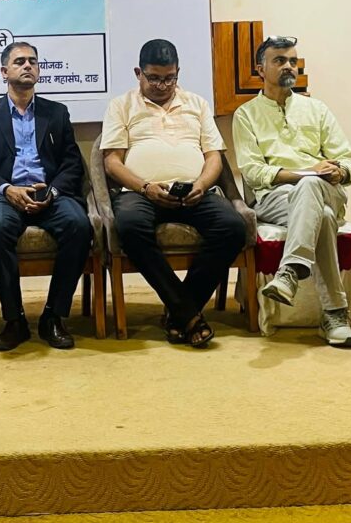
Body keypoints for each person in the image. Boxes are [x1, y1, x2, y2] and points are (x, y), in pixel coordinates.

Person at [101, 39, 250, 348]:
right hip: (141, 192)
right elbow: (112, 162)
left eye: (169, 78)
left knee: (233, 228)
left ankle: (179, 312)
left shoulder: (197, 104)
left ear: (178, 72)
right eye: (154, 78)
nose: (162, 85)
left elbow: (214, 157)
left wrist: (202, 185)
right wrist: (145, 187)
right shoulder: (121, 105)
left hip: (193, 191)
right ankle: (186, 312)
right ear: (138, 73)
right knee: (129, 226)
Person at [0, 41, 92, 351]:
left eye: (33, 61)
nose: (28, 66)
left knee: (79, 226)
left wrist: (54, 191)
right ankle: (14, 319)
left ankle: (53, 316)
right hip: (5, 194)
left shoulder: (56, 113)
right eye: (19, 61)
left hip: (48, 193)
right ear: (4, 72)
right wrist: (7, 189)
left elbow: (72, 163)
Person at [232, 36, 351, 349]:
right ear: (260, 69)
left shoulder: (317, 109)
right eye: (279, 60)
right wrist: (304, 173)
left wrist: (339, 172)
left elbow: (346, 160)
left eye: (292, 61)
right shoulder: (246, 115)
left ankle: (289, 272)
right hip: (274, 197)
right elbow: (253, 172)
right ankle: (335, 315)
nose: (289, 66)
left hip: (327, 189)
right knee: (322, 215)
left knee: (313, 188)